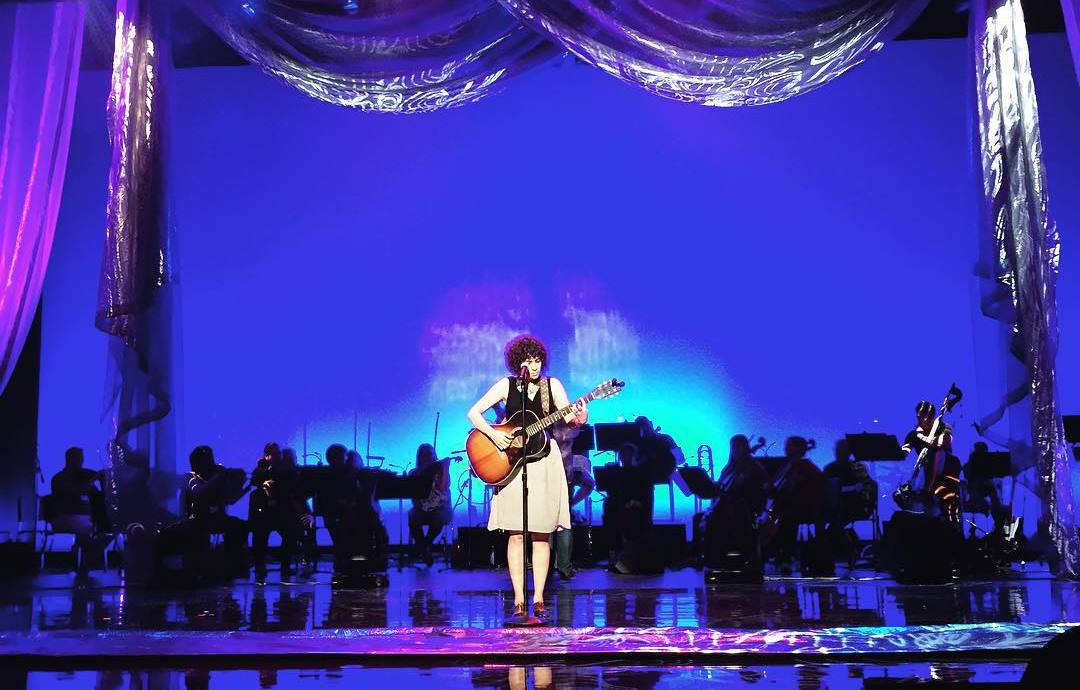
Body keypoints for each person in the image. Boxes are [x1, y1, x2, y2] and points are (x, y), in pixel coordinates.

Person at [466, 334, 586, 620]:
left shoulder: (551, 386)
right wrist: (496, 436)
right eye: (528, 361)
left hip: (544, 461)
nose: (534, 366)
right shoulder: (505, 386)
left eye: (537, 361)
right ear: (517, 362)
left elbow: (569, 417)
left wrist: (579, 418)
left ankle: (540, 598)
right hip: (512, 463)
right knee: (516, 534)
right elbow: (474, 413)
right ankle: (519, 600)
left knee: (541, 533)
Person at [157, 446, 248, 580]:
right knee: (198, 534)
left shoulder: (216, 477)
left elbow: (230, 499)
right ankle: (200, 566)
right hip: (195, 520)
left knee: (239, 526)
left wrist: (246, 486)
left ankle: (232, 564)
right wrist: (219, 478)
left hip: (214, 519)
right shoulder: (190, 477)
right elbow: (199, 492)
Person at [249, 442, 315, 581]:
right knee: (260, 532)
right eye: (274, 453)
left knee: (292, 530)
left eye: (279, 453)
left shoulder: (287, 471)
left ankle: (285, 565)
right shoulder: (261, 470)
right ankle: (260, 564)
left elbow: (294, 489)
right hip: (265, 513)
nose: (278, 456)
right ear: (267, 456)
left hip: (282, 513)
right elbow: (256, 481)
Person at [702, 435, 767, 570]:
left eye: (740, 447)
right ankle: (709, 558)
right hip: (728, 505)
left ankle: (722, 557)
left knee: (718, 518)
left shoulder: (753, 467)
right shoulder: (729, 467)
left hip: (745, 506)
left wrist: (744, 475)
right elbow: (721, 485)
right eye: (734, 447)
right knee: (701, 518)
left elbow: (756, 489)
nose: (736, 450)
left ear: (746, 448)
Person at [760, 436, 826, 569]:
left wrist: (801, 483)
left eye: (788, 446)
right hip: (788, 506)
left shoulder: (806, 466)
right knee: (781, 518)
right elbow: (776, 485)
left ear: (796, 448)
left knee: (787, 519)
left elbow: (820, 485)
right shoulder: (788, 465)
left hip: (803, 508)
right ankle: (776, 552)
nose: (785, 449)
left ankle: (784, 554)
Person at [47, 447, 110, 574]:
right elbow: (76, 492)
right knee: (87, 529)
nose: (82, 462)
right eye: (80, 459)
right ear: (71, 459)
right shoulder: (59, 479)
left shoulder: (81, 477)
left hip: (80, 518)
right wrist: (94, 479)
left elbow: (95, 494)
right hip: (64, 517)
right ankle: (85, 559)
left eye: (82, 459)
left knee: (107, 529)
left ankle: (83, 557)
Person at [901, 401, 961, 523]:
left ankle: (928, 491)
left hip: (945, 471)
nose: (923, 419)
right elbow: (904, 452)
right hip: (923, 472)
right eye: (920, 416)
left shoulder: (943, 427)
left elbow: (944, 443)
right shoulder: (913, 435)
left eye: (927, 416)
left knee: (937, 453)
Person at [550, 423, 595, 579]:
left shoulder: (556, 427)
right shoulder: (571, 428)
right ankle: (562, 566)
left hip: (561, 474)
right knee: (562, 521)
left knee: (556, 521)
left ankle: (554, 565)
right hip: (559, 474)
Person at [822, 439, 877, 561]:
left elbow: (866, 487)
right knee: (823, 517)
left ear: (849, 452)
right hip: (834, 506)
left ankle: (846, 550)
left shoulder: (857, 467)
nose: (839, 452)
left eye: (842, 450)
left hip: (855, 505)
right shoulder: (830, 468)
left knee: (836, 520)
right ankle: (842, 549)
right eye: (837, 450)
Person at [407, 443, 452, 565]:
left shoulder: (441, 470)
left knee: (440, 517)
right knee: (412, 516)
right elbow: (413, 498)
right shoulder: (414, 473)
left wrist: (445, 468)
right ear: (419, 457)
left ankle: (423, 547)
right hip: (422, 508)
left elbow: (443, 487)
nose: (427, 457)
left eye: (430, 454)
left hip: (440, 508)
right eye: (424, 455)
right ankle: (424, 549)